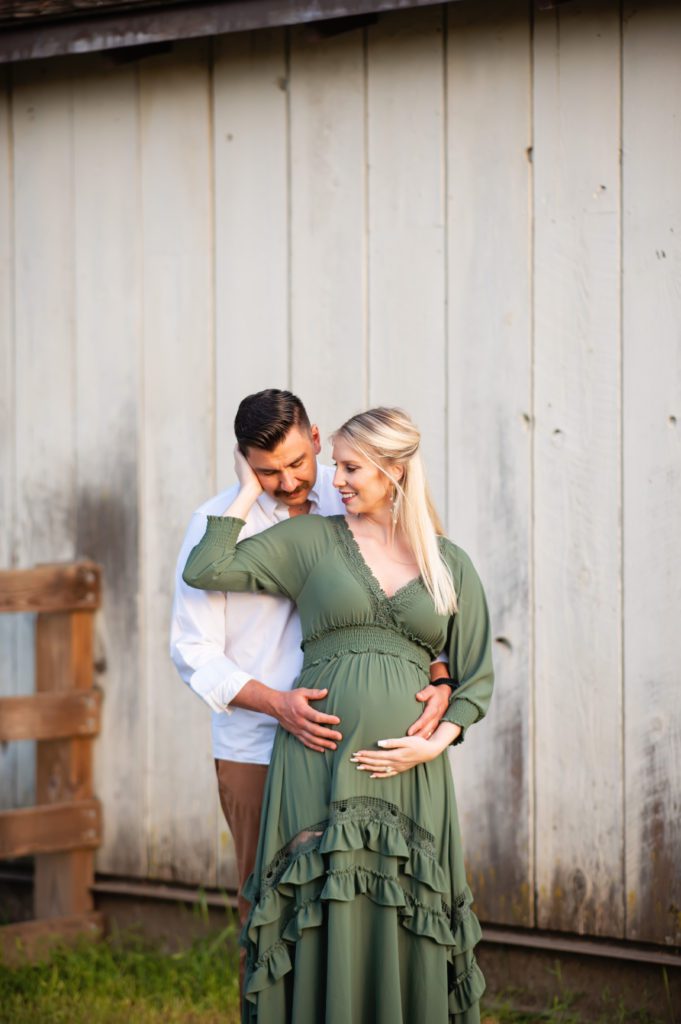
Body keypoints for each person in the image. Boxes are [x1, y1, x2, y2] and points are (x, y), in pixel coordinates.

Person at [182, 406, 494, 1024]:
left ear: (393, 470)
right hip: (310, 755)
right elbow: (205, 569)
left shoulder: (446, 561)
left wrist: (437, 733)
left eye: (348, 467)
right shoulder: (314, 537)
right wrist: (248, 486)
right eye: (337, 467)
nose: (334, 478)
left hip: (410, 771)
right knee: (309, 910)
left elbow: (473, 672)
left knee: (404, 909)